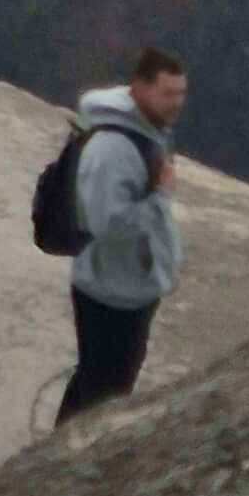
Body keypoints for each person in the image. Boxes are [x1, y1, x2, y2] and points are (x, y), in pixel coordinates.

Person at [59, 48, 186, 422]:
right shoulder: (112, 150)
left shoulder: (148, 129)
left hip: (129, 283)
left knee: (96, 380)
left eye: (181, 93)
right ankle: (69, 462)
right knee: (106, 391)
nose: (177, 103)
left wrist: (162, 263)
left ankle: (59, 448)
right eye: (168, 94)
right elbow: (110, 226)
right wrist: (162, 194)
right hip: (110, 292)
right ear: (138, 90)